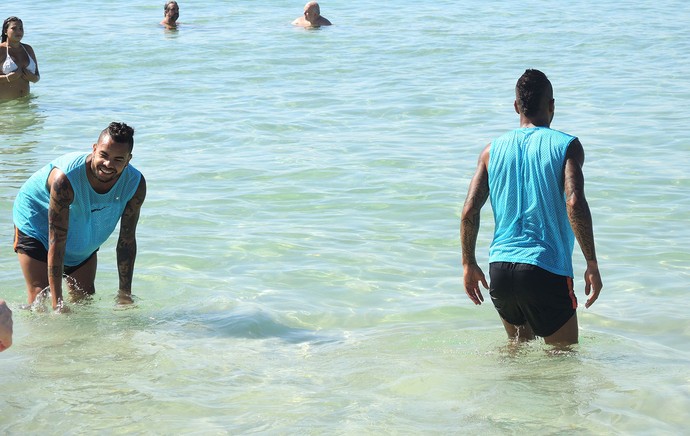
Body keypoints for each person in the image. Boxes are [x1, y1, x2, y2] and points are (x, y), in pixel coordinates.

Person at [460, 69, 602, 347]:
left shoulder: (490, 151)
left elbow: (469, 211)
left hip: (500, 271)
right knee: (563, 363)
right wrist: (592, 263)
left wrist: (468, 263)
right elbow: (574, 202)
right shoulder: (567, 146)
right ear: (551, 106)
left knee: (517, 353)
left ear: (516, 107)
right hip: (545, 270)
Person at [13, 122, 146, 312]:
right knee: (40, 298)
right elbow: (56, 241)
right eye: (104, 155)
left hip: (80, 222)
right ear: (94, 149)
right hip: (37, 220)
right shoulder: (65, 179)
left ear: (128, 159)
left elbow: (126, 240)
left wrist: (124, 294)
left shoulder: (135, 184)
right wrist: (58, 304)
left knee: (84, 298)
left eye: (118, 159)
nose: (108, 164)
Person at [1, 17, 40, 100]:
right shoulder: (1, 50)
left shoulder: (28, 49)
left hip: (26, 103)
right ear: (5, 31)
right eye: (14, 28)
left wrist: (32, 78)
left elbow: (37, 76)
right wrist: (7, 78)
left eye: (20, 28)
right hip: (5, 105)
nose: (18, 31)